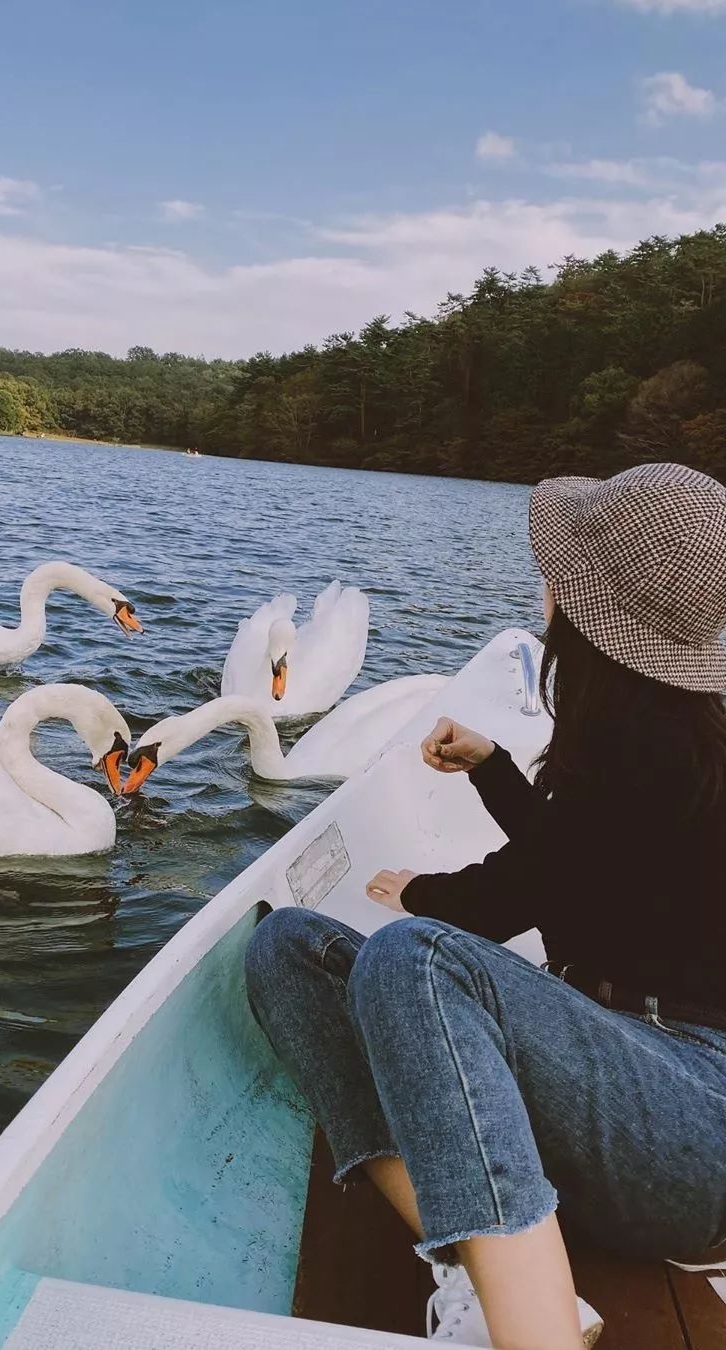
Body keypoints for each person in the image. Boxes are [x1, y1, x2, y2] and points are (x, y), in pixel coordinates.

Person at [245, 462, 726, 1350]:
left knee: (414, 955)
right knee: (288, 949)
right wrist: (497, 769)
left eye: (563, 573)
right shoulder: (641, 742)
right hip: (614, 1101)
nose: (545, 583)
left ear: (590, 613)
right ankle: (475, 1261)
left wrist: (416, 892)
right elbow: (577, 863)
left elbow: (527, 890)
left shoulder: (663, 759)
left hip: (696, 1128)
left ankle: (532, 1333)